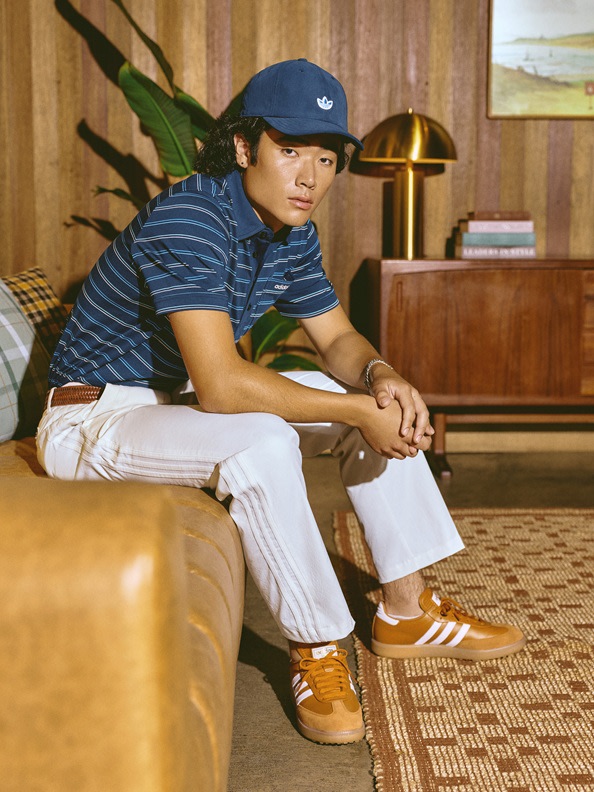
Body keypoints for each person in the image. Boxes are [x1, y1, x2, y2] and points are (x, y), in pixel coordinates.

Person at [37, 59, 526, 746]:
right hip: (94, 418)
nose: (309, 177)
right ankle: (317, 648)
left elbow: (338, 339)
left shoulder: (292, 234)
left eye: (325, 158)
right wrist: (357, 411)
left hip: (173, 412)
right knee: (263, 440)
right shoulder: (191, 217)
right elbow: (222, 386)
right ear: (244, 147)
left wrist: (381, 377)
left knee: (368, 399)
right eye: (290, 150)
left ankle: (406, 610)